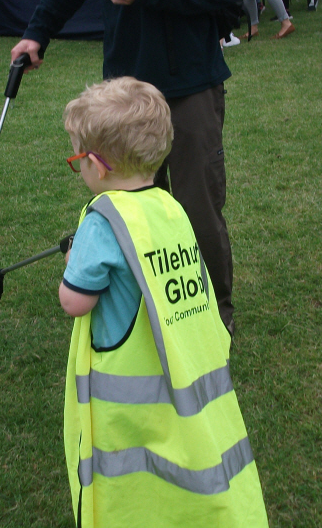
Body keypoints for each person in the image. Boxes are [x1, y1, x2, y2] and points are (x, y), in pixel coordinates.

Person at [10, 0, 247, 334]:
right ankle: (140, 303)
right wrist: (36, 34)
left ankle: (211, 316)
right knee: (126, 205)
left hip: (189, 81)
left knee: (196, 209)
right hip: (124, 88)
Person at [59, 76, 268, 527]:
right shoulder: (171, 207)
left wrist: (74, 260)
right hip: (180, 393)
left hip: (126, 414)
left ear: (95, 164)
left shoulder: (102, 222)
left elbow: (74, 301)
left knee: (136, 488)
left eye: (76, 161)